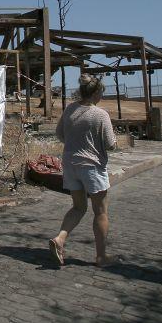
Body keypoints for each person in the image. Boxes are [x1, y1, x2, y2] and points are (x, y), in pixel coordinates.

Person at [49, 74, 119, 267]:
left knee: (78, 207)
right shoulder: (100, 114)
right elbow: (110, 144)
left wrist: (73, 143)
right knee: (101, 212)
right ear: (96, 93)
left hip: (70, 164)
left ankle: (60, 238)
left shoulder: (70, 109)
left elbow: (59, 133)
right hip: (92, 166)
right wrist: (115, 142)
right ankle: (101, 256)